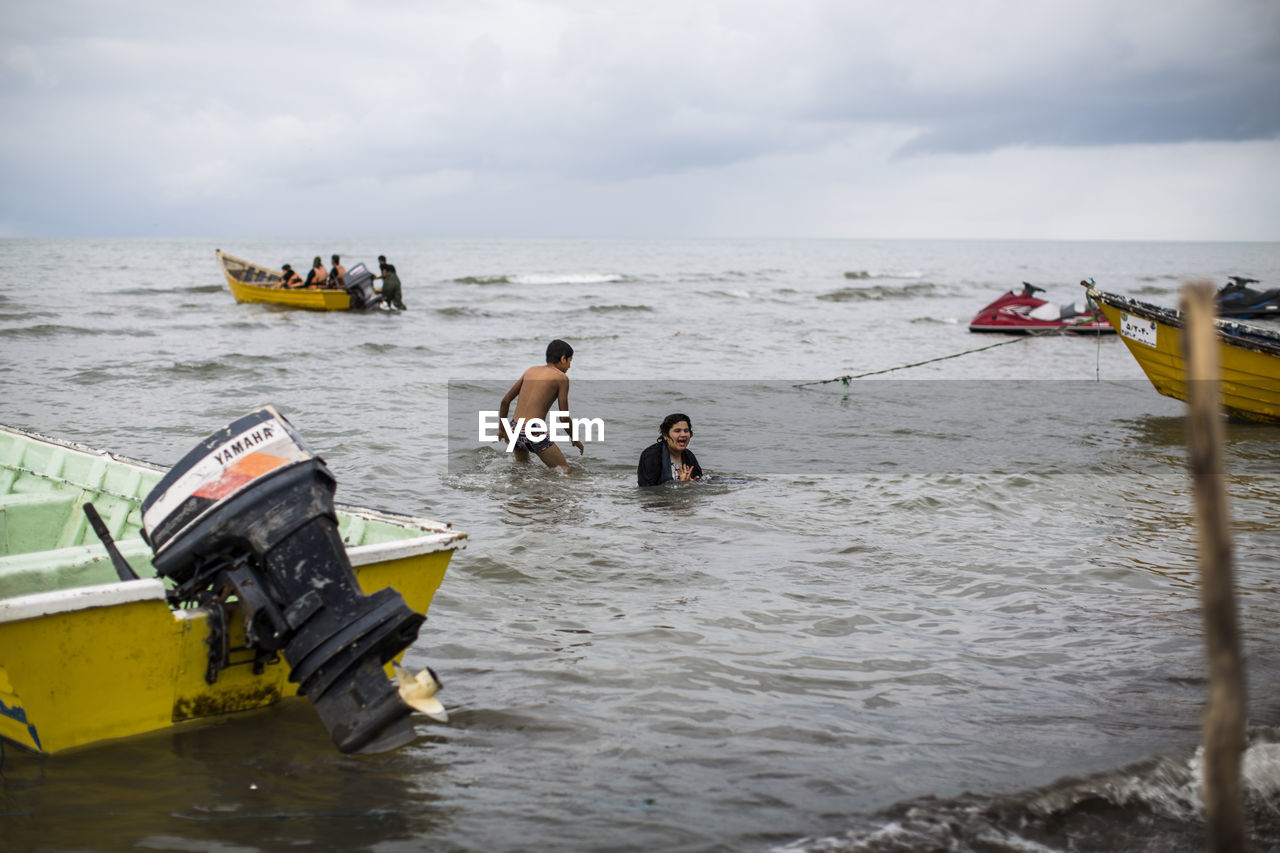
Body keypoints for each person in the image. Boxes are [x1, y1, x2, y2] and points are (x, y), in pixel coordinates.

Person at [497, 339, 584, 472]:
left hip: (514, 428)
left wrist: (502, 430)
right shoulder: (561, 378)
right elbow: (564, 418)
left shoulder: (530, 371)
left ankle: (519, 492)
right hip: (533, 431)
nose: (569, 367)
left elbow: (505, 401)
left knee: (522, 469)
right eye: (570, 361)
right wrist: (575, 438)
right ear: (563, 359)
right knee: (565, 471)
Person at [637, 413, 702, 486]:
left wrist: (691, 484)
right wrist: (681, 485)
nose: (683, 434)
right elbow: (646, 490)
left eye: (686, 431)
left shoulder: (689, 456)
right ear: (665, 435)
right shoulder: (651, 455)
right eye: (677, 431)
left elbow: (699, 481)